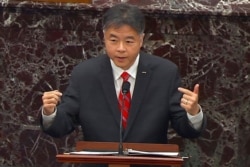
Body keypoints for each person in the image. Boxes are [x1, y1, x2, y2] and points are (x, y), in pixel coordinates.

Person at [41, 3, 206, 167]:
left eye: (129, 41)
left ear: (141, 40)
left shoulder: (165, 73)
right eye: (113, 40)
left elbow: (186, 130)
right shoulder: (85, 74)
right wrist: (50, 113)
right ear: (104, 37)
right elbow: (63, 125)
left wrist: (193, 113)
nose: (121, 49)